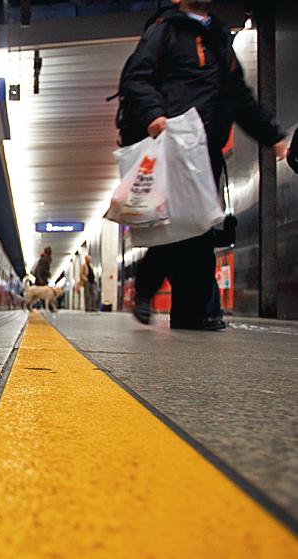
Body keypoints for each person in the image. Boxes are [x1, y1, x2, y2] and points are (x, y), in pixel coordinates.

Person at [120, 0, 288, 330]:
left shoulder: (219, 38)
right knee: (180, 228)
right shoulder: (164, 30)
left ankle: (187, 312)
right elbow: (136, 78)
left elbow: (239, 98)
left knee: (198, 231)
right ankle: (154, 290)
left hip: (206, 149)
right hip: (173, 143)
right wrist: (154, 114)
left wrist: (273, 137)